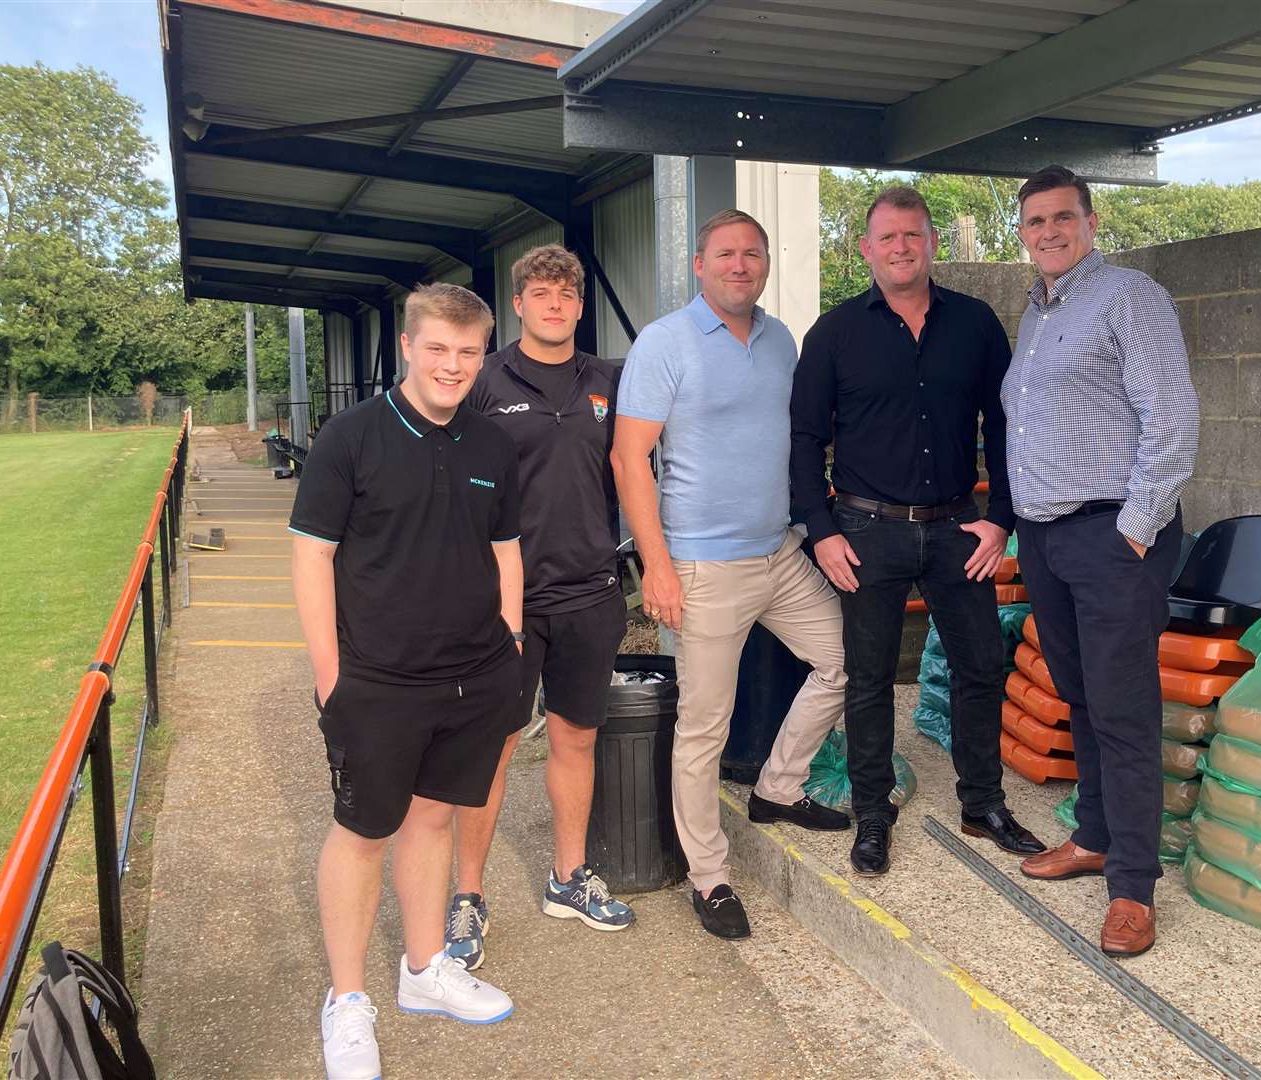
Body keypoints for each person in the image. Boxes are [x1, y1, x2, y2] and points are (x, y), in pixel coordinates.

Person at [290, 283, 522, 1080]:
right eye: (437, 349)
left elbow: (505, 551)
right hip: (378, 680)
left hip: (475, 676)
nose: (452, 366)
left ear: (481, 355)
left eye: (467, 352)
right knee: (363, 834)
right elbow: (312, 554)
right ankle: (348, 1001)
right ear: (408, 345)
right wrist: (331, 677)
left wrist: (514, 646)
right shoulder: (349, 438)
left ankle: (424, 970)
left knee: (431, 821)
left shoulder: (493, 445)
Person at [791, 184, 1044, 878]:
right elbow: (805, 438)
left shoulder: (975, 324)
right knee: (869, 679)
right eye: (887, 238)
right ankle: (873, 813)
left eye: (912, 235)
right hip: (865, 532)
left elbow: (1008, 427)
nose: (900, 248)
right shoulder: (835, 334)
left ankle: (982, 803)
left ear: (932, 243)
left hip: (961, 529)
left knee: (981, 669)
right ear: (867, 250)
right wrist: (821, 530)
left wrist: (1001, 519)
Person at [611, 208, 850, 941]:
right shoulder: (664, 343)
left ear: (766, 262)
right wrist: (657, 566)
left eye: (752, 254)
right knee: (704, 729)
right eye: (725, 254)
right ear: (699, 265)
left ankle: (779, 787)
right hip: (702, 563)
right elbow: (629, 459)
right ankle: (710, 877)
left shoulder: (781, 340)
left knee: (842, 662)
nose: (739, 265)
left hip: (778, 552)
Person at [1008, 165, 1199, 958]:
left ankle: (1132, 888)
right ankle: (1092, 837)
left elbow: (1174, 414)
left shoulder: (1128, 296)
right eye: (1034, 223)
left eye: (1061, 218)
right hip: (1048, 538)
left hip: (1110, 537)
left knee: (1123, 712)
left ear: (1091, 221)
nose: (1048, 232)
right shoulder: (1036, 310)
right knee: (1080, 695)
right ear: (1021, 234)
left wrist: (1136, 526)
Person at [449, 244, 633, 972]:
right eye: (540, 293)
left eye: (566, 295)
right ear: (517, 304)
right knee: (490, 748)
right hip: (503, 600)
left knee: (575, 741)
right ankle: (467, 895)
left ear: (580, 307)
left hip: (590, 590)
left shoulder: (607, 381)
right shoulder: (486, 380)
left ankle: (568, 878)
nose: (554, 304)